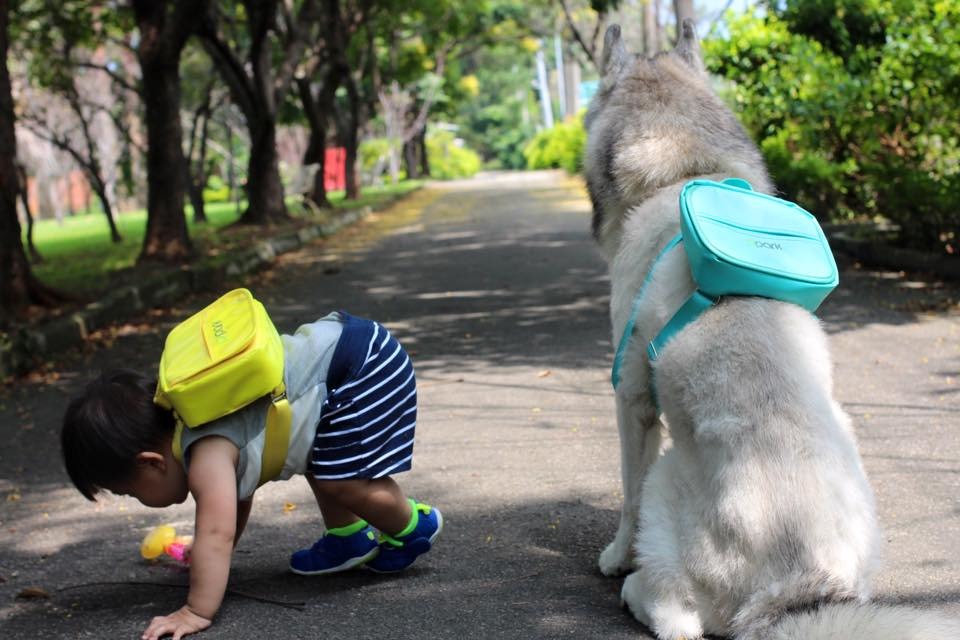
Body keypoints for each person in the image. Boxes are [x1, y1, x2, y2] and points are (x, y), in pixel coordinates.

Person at [60, 311, 442, 640]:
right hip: (345, 353)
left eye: (129, 492)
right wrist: (209, 554)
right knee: (317, 451)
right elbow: (230, 506)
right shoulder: (191, 425)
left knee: (341, 478)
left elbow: (216, 532)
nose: (138, 501)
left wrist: (196, 611)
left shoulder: (204, 450)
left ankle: (413, 527)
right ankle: (348, 538)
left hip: (361, 366)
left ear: (151, 462)